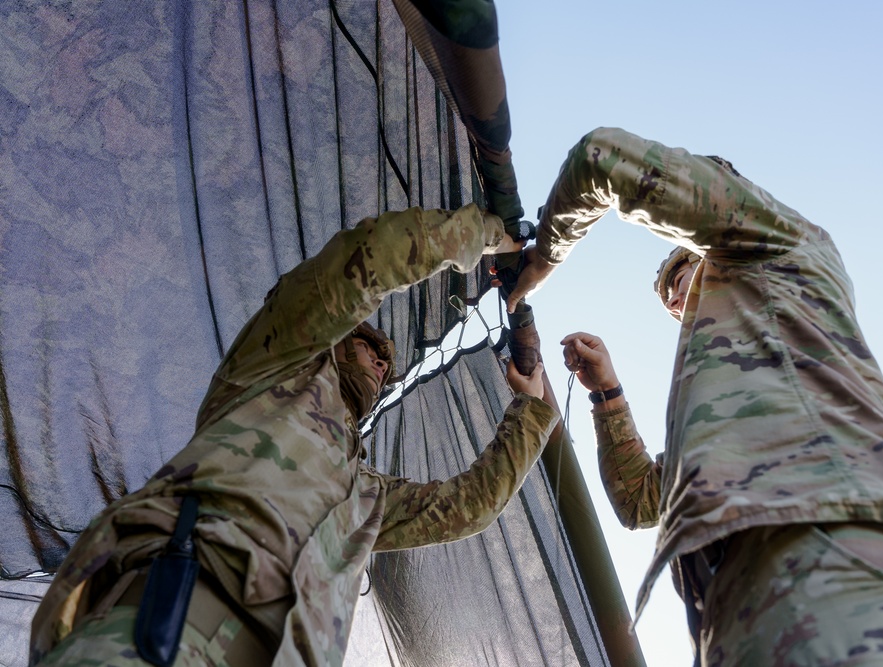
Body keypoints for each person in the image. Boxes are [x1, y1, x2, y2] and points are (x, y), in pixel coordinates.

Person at [511, 127, 883, 665]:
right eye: (670, 300)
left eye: (684, 271)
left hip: (855, 578)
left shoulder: (781, 244)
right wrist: (607, 393)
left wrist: (542, 257)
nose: (677, 300)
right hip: (748, 617)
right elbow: (640, 502)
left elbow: (600, 158)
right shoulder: (729, 414)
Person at [30, 204, 560, 667]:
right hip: (164, 622)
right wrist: (490, 234)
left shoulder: (367, 494)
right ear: (333, 344)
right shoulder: (275, 368)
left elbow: (470, 506)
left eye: (385, 363)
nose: (379, 363)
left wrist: (531, 411)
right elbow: (368, 259)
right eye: (368, 347)